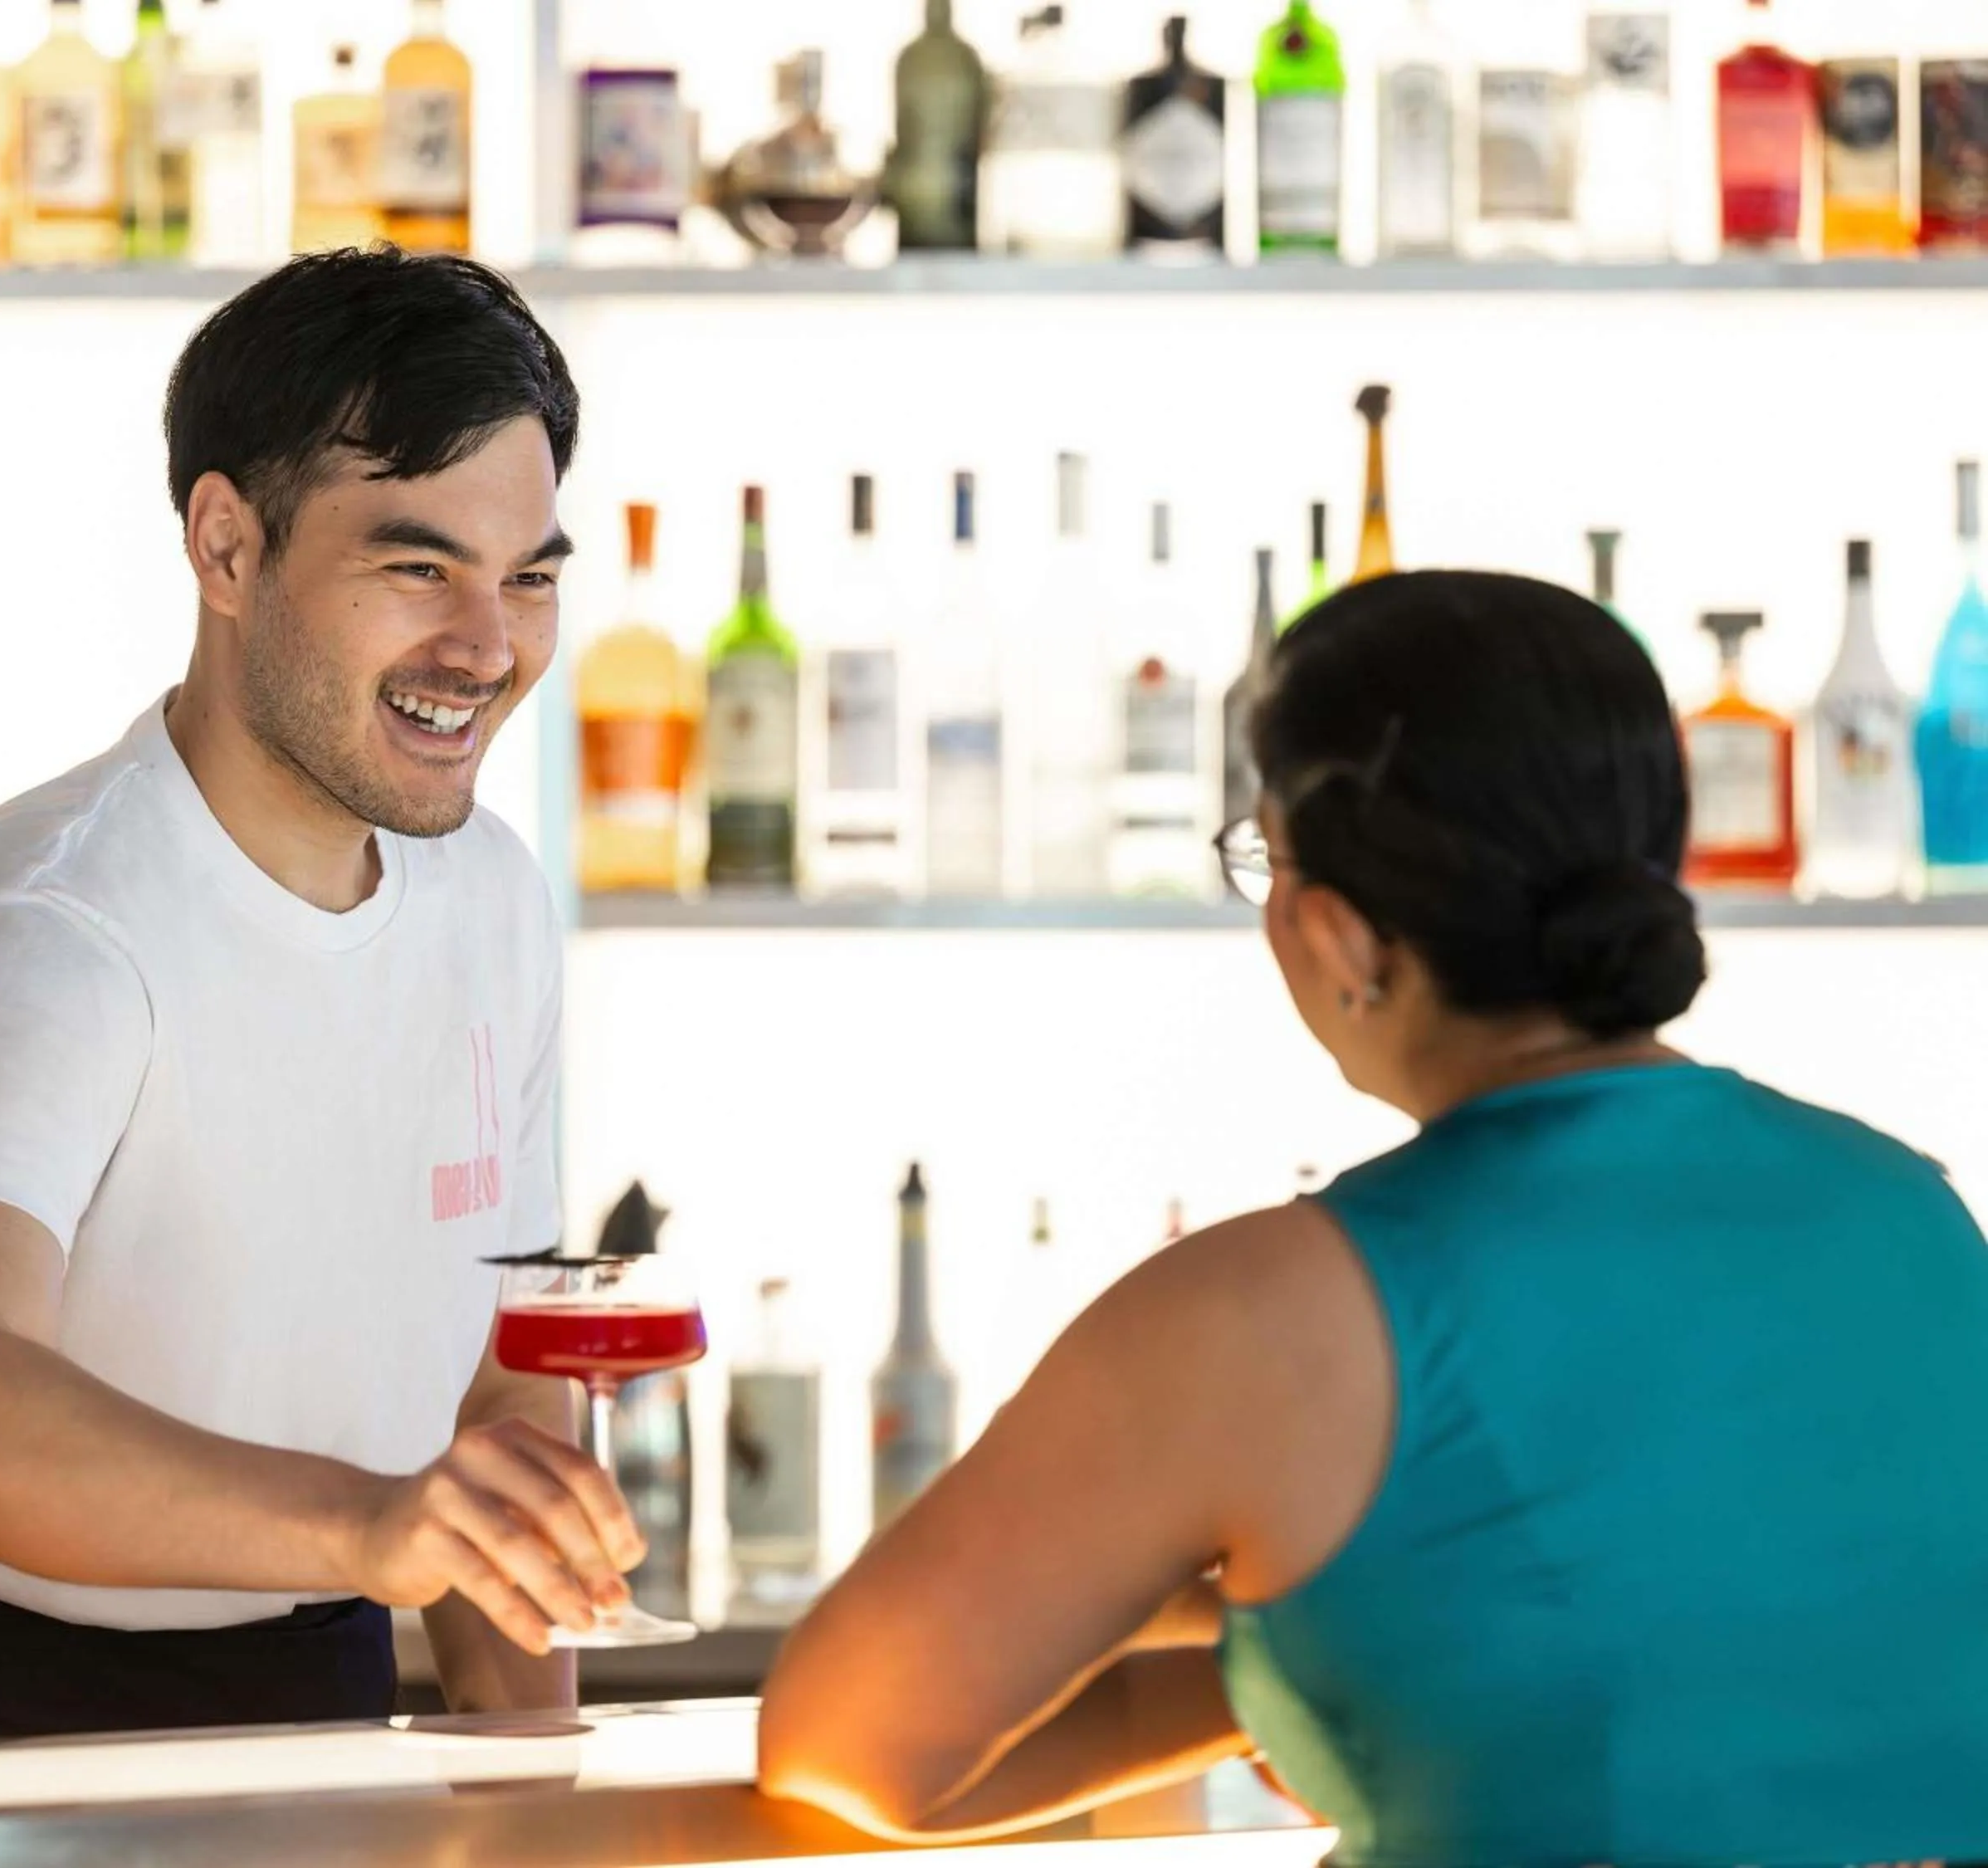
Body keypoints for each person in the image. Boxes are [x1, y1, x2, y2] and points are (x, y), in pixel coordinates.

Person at [759, 570, 1988, 1865]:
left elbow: (844, 1743)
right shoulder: (1915, 1213)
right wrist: (1350, 1649)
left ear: (1340, 935)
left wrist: (1280, 1649)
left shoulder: (1264, 1312)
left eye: (1264, 859)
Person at [0, 251, 642, 1747]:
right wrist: (370, 1524)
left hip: (326, 1704)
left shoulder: (493, 900)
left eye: (529, 578)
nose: (489, 647)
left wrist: (533, 1777)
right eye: (418, 568)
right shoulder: (50, 921)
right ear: (226, 546)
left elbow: (498, 1395)